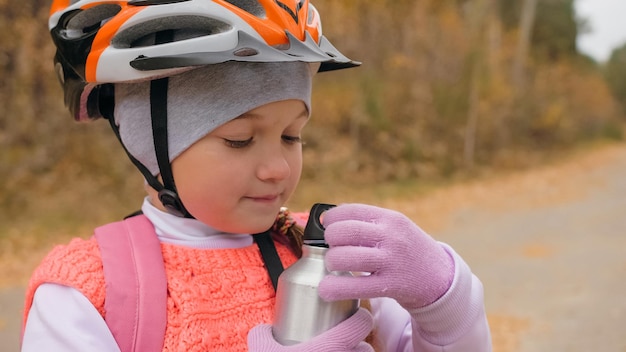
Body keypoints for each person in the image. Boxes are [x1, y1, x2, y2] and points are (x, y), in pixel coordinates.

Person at [22, 0, 492, 351]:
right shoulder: (86, 295)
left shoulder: (328, 253)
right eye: (239, 140)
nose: (278, 168)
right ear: (149, 142)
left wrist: (445, 299)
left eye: (292, 136)